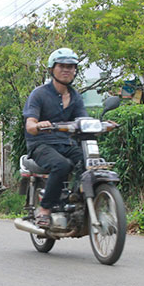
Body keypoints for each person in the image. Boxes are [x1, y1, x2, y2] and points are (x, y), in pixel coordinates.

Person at [22, 47, 88, 228]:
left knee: (91, 162)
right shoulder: (39, 94)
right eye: (62, 66)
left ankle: (78, 198)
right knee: (62, 165)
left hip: (66, 143)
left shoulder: (75, 97)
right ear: (52, 69)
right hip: (41, 144)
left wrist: (103, 124)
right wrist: (37, 125)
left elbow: (83, 120)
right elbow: (30, 125)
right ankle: (44, 209)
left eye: (71, 66)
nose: (67, 70)